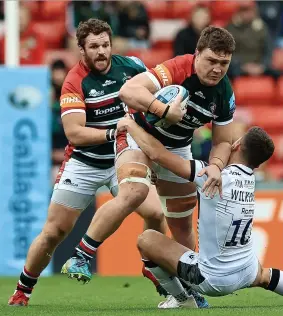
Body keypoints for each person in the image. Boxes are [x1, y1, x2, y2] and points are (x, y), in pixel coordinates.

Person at [61, 26, 235, 308]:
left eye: (223, 64)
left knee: (182, 227)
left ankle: (184, 291)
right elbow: (128, 91)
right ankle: (81, 255)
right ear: (197, 55)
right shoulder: (177, 68)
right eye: (211, 61)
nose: (216, 69)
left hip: (176, 149)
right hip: (137, 137)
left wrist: (216, 164)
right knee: (134, 192)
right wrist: (164, 110)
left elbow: (223, 141)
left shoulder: (224, 94)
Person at [8, 18, 166, 307]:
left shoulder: (132, 67)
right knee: (54, 232)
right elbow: (75, 133)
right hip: (84, 163)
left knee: (155, 213)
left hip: (123, 158)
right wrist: (113, 130)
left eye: (105, 44)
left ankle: (151, 265)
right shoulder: (73, 81)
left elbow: (159, 96)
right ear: (81, 49)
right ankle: (23, 290)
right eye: (94, 46)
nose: (101, 51)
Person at [118, 116, 276, 308]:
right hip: (248, 270)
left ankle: (183, 299)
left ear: (237, 144)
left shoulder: (211, 176)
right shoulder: (251, 179)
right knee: (265, 276)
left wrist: (130, 125)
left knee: (146, 240)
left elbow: (158, 154)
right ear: (258, 164)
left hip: (210, 279)